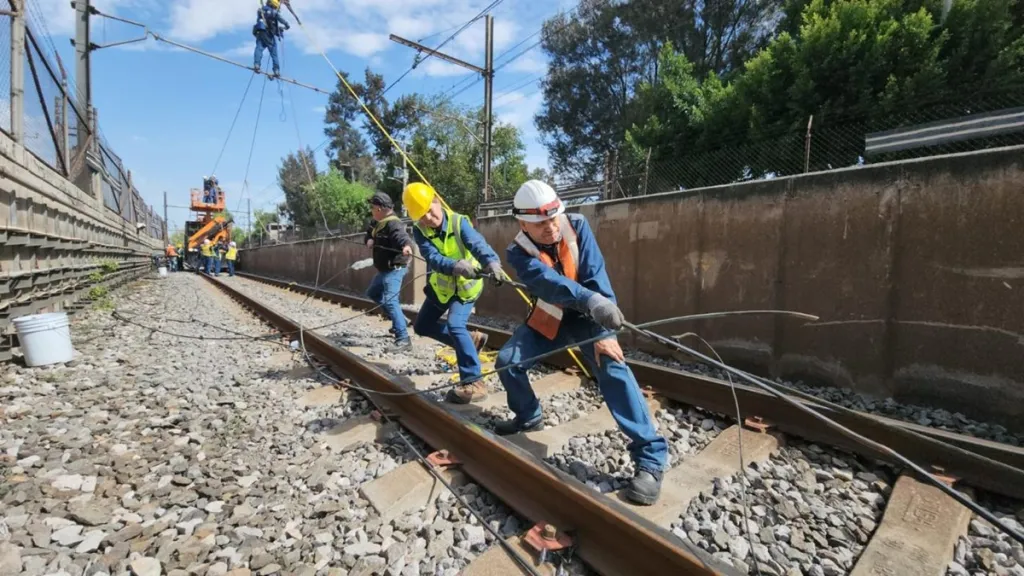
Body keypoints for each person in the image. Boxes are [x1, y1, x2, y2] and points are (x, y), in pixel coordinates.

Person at [493, 180, 668, 506]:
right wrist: (589, 300)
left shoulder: (577, 226)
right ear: (522, 224)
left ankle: (651, 459)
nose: (550, 227)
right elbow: (549, 283)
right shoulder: (517, 252)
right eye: (540, 223)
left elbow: (596, 276)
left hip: (589, 318)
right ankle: (528, 414)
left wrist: (606, 331)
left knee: (613, 367)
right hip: (550, 318)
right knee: (507, 362)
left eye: (553, 219)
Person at [403, 182, 503, 404]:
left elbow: (477, 244)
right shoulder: (420, 232)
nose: (429, 217)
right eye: (422, 215)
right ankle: (471, 341)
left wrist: (492, 263)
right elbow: (433, 258)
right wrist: (455, 265)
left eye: (430, 209)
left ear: (437, 201)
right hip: (443, 288)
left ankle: (474, 381)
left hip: (465, 290)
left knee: (455, 325)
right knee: (422, 326)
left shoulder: (459, 222)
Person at [365, 192, 415, 350]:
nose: (371, 210)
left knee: (390, 300)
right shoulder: (376, 222)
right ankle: (400, 319)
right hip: (384, 269)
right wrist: (369, 240)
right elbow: (368, 234)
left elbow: (401, 236)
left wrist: (406, 246)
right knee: (373, 293)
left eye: (372, 207)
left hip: (395, 267)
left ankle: (403, 339)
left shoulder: (393, 223)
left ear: (379, 208)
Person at [253, 0, 290, 77]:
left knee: (259, 48)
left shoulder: (262, 10)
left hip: (261, 32)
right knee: (274, 53)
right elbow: (280, 19)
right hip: (269, 35)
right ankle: (276, 70)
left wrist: (278, 28)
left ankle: (257, 65)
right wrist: (287, 25)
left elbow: (267, 21)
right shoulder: (273, 12)